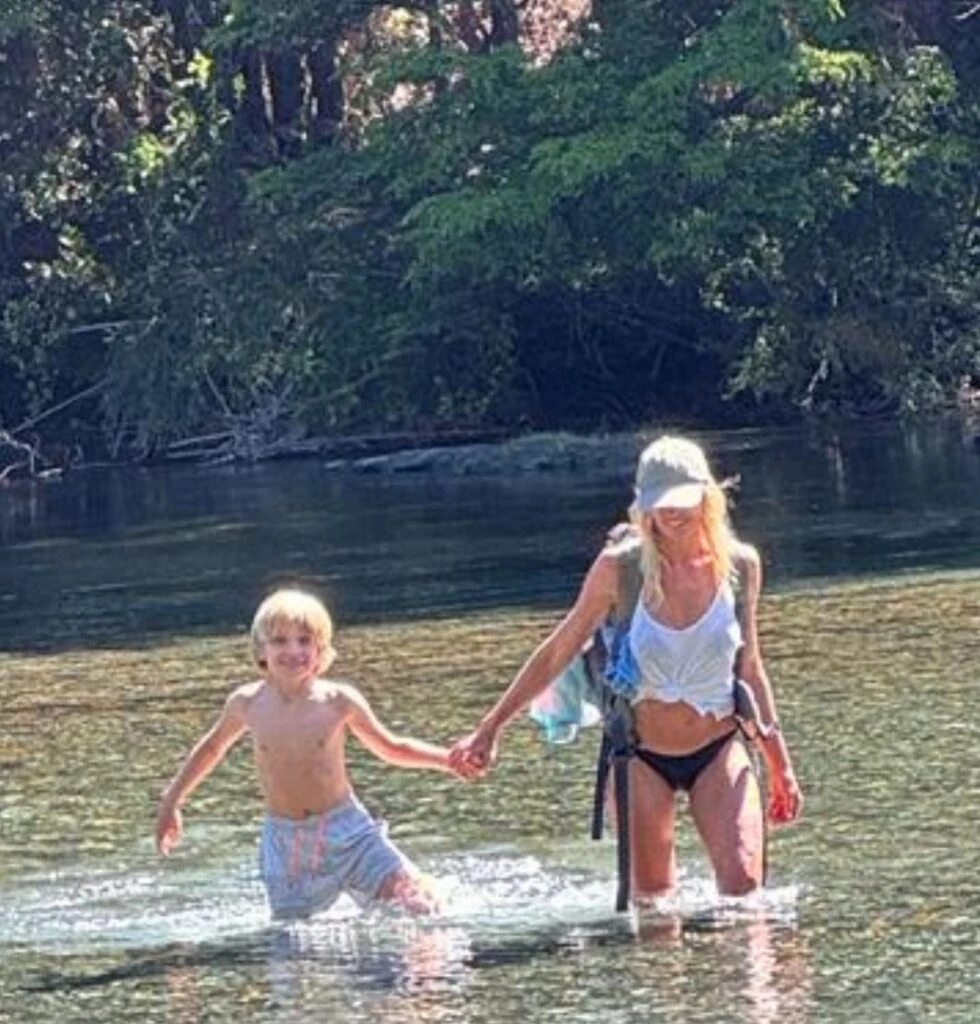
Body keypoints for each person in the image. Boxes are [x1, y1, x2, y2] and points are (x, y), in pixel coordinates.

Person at [450, 435, 803, 900]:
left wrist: (782, 766)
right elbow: (557, 652)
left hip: (718, 745)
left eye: (682, 501)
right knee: (656, 911)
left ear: (707, 496)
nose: (672, 514)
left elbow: (750, 669)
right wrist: (490, 728)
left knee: (745, 897)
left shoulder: (740, 566)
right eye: (660, 504)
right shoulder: (620, 569)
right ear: (643, 505)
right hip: (638, 755)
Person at [155, 586, 456, 919]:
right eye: (280, 641)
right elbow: (211, 749)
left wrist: (447, 760)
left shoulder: (338, 701)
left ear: (321, 649)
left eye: (304, 640)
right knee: (292, 942)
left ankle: (422, 964)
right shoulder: (247, 703)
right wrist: (173, 801)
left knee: (420, 903)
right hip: (287, 843)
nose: (293, 650)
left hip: (348, 830)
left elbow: (391, 747)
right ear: (261, 650)